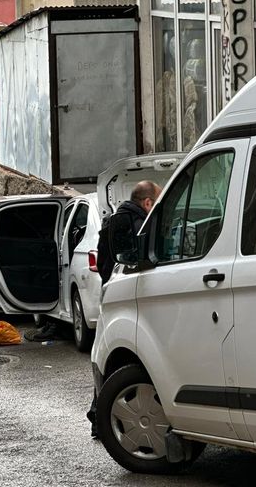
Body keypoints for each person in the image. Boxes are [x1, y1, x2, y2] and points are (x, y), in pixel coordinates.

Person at [88, 180, 162, 437]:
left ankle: (98, 419)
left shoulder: (113, 221)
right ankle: (103, 419)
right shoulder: (139, 223)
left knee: (106, 358)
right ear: (148, 203)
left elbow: (103, 261)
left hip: (111, 293)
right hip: (133, 294)